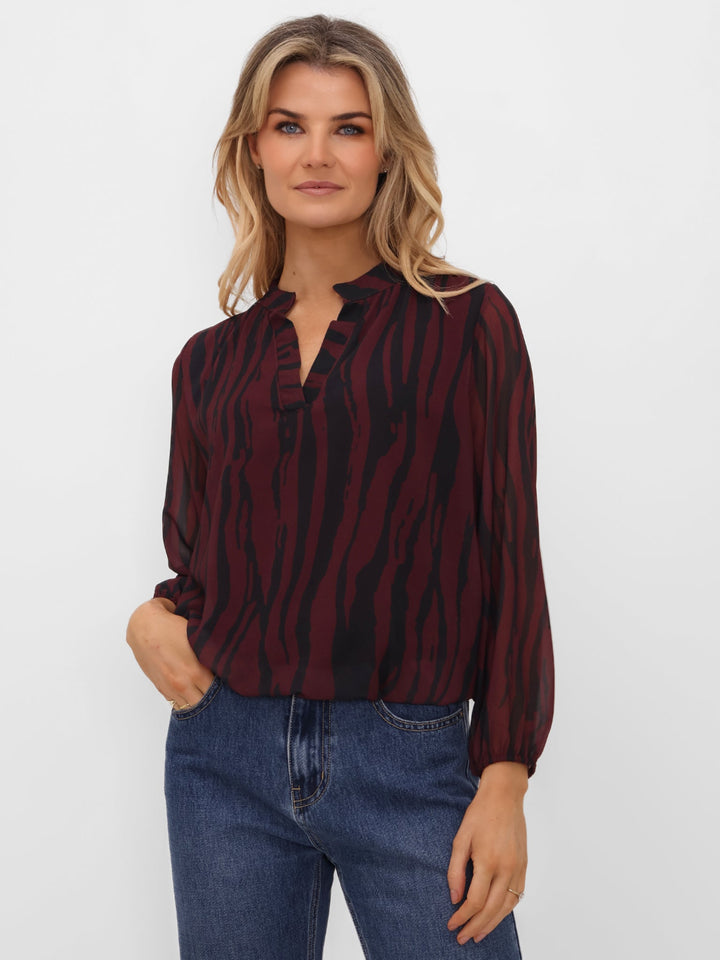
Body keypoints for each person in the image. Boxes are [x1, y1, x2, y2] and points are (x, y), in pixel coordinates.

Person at [126, 14, 554, 959]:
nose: (317, 154)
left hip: (411, 758)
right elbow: (200, 560)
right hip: (222, 761)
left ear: (386, 150)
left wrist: (506, 777)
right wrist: (152, 617)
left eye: (349, 127)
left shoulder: (470, 325)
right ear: (254, 150)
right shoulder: (208, 362)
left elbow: (510, 555)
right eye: (289, 126)